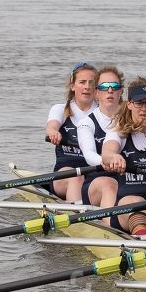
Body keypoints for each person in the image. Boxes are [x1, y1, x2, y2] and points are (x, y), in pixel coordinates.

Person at [94, 78, 146, 236]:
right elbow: (107, 152)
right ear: (129, 104)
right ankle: (145, 247)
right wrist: (113, 157)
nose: (144, 109)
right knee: (136, 204)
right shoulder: (118, 132)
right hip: (127, 206)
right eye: (139, 103)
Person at [45, 63, 99, 202]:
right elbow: (51, 126)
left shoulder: (102, 114)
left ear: (97, 88)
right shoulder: (61, 109)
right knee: (76, 177)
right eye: (82, 82)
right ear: (73, 86)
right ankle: (77, 216)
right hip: (65, 175)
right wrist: (53, 132)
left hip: (95, 175)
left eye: (91, 83)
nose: (87, 86)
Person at [76, 64, 125, 206]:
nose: (110, 90)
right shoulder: (86, 123)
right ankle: (110, 225)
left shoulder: (131, 121)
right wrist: (107, 162)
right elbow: (89, 154)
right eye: (104, 87)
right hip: (97, 180)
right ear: (96, 93)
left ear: (121, 91)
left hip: (125, 181)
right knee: (109, 184)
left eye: (114, 86)